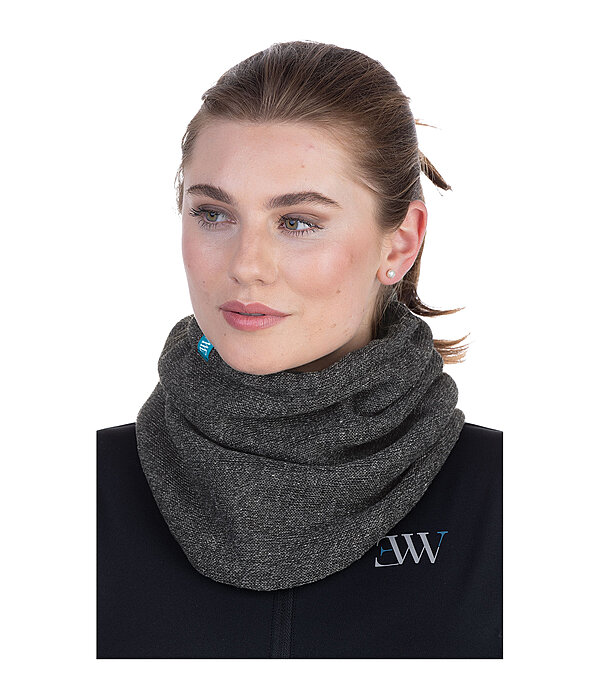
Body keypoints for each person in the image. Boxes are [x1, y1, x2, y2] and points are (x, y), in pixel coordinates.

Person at [97, 40, 502, 659]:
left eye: (299, 222)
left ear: (399, 244)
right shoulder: (66, 492)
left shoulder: (520, 500)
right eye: (213, 214)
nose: (246, 266)